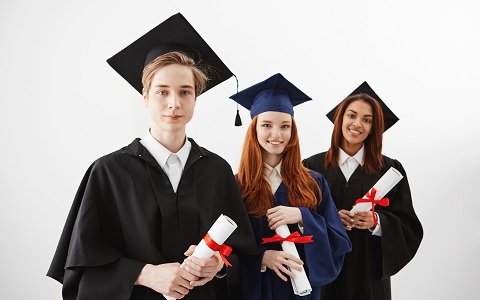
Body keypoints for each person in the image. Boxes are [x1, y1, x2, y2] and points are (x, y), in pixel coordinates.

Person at [46, 13, 257, 300]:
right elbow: (82, 266)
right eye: (162, 92)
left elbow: (242, 249)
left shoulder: (217, 170)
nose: (174, 103)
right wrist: (144, 273)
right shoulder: (109, 172)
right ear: (145, 97)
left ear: (196, 98)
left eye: (185, 91)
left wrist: (217, 264)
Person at [230, 73, 352, 300]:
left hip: (301, 293)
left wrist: (303, 217)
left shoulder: (313, 182)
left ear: (292, 132)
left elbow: (339, 242)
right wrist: (261, 257)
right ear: (254, 129)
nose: (276, 134)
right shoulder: (237, 185)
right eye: (267, 125)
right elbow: (226, 244)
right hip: (256, 290)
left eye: (284, 126)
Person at [302, 81, 423, 300]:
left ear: (374, 128)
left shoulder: (390, 170)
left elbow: (408, 225)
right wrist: (329, 220)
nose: (358, 124)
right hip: (326, 269)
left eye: (367, 120)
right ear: (340, 119)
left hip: (369, 274)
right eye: (352, 115)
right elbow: (297, 217)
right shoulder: (311, 167)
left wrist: (377, 221)